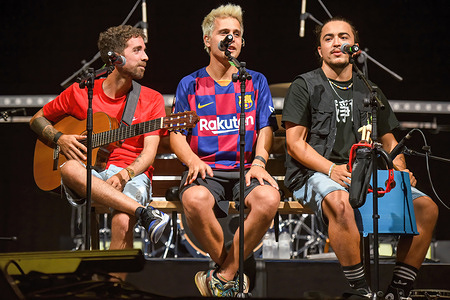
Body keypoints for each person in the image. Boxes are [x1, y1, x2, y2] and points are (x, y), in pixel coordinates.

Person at [282, 17, 438, 299]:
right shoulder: (305, 85)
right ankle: (362, 291)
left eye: (343, 37)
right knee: (341, 204)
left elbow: (391, 143)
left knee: (426, 208)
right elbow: (294, 145)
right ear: (319, 50)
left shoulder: (370, 90)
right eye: (328, 38)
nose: (336, 43)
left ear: (355, 46)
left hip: (365, 175)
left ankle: (397, 292)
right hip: (314, 173)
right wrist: (331, 170)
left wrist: (399, 170)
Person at [29, 25, 169, 271]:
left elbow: (148, 154)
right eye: (137, 50)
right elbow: (37, 119)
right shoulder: (82, 92)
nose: (145, 57)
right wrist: (60, 138)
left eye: (144, 50)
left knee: (123, 220)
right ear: (116, 57)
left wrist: (125, 173)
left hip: (130, 174)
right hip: (89, 172)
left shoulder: (152, 99)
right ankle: (144, 213)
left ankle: (110, 287)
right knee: (69, 168)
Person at [170, 3, 280, 297]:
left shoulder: (255, 81)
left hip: (246, 171)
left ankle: (223, 276)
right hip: (207, 170)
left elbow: (265, 129)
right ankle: (233, 270)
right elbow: (176, 135)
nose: (231, 38)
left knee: (269, 198)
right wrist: (192, 159)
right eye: (224, 33)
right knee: (194, 200)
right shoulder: (189, 84)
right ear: (207, 40)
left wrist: (259, 161)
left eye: (237, 33)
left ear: (243, 41)